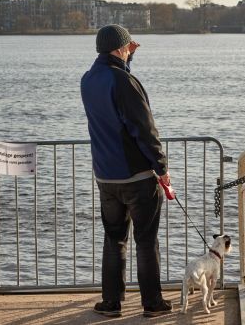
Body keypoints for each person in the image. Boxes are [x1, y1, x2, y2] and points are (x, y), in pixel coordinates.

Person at [81, 24, 172, 318]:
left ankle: (111, 303)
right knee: (145, 241)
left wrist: (127, 60)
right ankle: (152, 303)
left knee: (114, 238)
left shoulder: (88, 79)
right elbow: (143, 129)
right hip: (137, 176)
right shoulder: (124, 82)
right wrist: (161, 168)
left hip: (105, 176)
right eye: (127, 46)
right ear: (121, 47)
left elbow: (113, 103)